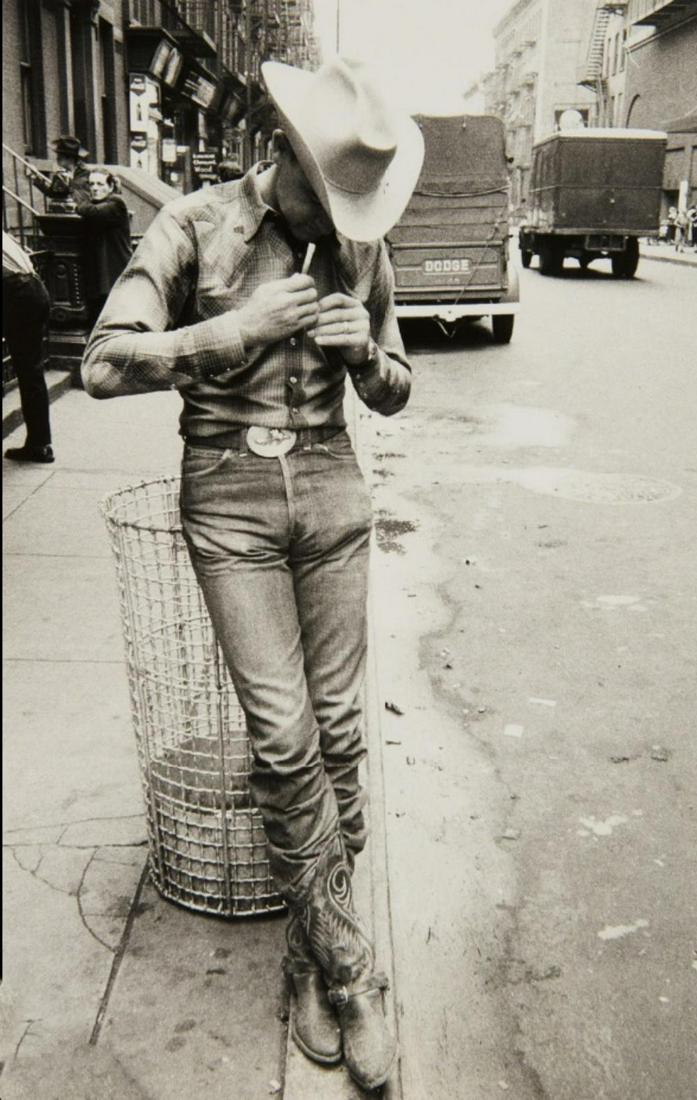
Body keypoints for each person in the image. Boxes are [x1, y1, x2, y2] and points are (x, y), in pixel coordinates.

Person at [82, 56, 424, 1091]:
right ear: (282, 155)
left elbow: (400, 388)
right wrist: (230, 332)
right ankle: (354, 970)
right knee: (282, 736)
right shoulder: (190, 224)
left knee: (341, 729)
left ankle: (312, 948)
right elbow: (101, 361)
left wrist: (365, 355)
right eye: (330, 197)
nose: (341, 224)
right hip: (227, 489)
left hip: (331, 485)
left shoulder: (360, 248)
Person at [3, 232, 54, 463]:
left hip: (16, 292)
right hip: (33, 289)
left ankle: (38, 444)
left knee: (29, 370)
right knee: (31, 371)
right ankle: (39, 444)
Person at [75, 168, 132, 326]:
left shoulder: (115, 203)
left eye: (100, 184)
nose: (94, 188)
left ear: (111, 186)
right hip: (100, 274)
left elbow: (91, 211)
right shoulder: (98, 203)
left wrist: (79, 205)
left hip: (115, 272)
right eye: (91, 184)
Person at [26, 135, 91, 210]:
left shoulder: (85, 173)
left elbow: (81, 197)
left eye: (60, 156)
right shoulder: (61, 174)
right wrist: (35, 177)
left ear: (69, 158)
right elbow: (53, 193)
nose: (57, 159)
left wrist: (68, 183)